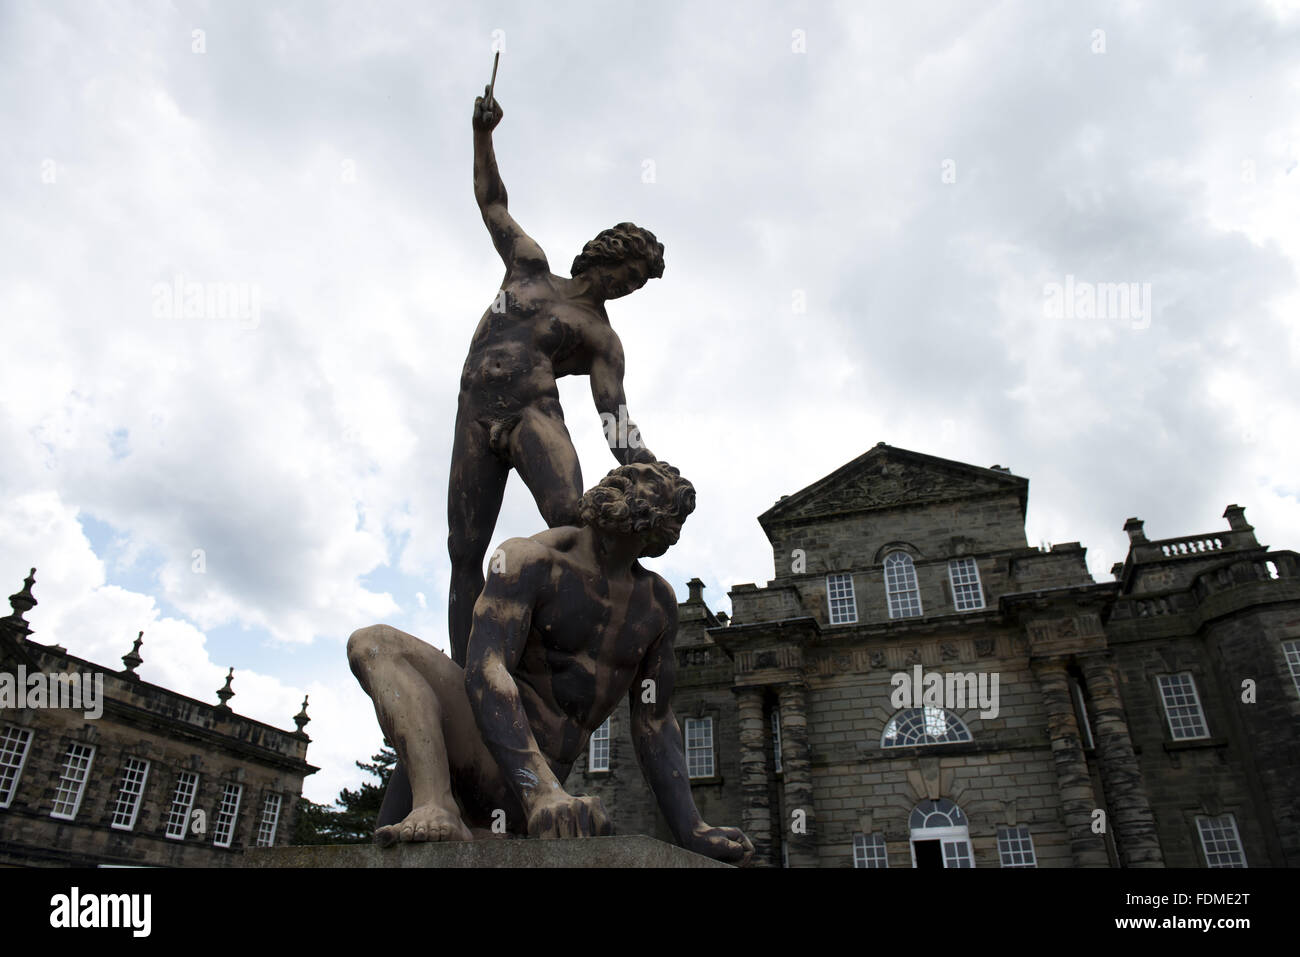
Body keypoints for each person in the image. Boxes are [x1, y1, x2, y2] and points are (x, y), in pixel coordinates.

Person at [349, 462, 753, 864]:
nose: (633, 480)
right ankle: (436, 804)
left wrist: (692, 829)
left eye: (652, 485)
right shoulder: (528, 559)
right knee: (374, 643)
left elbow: (655, 721)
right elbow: (486, 671)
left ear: (659, 527)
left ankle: (486, 824)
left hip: (538, 797)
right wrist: (539, 790)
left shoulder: (656, 605)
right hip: (479, 756)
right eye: (636, 475)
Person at [447, 86, 663, 667]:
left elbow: (613, 415)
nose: (628, 283)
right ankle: (469, 669)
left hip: (531, 413)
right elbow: (492, 202)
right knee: (463, 551)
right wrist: (483, 134)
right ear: (603, 253)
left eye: (638, 282)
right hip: (474, 412)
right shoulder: (529, 265)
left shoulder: (601, 338)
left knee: (572, 521)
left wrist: (647, 468)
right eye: (628, 269)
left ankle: (563, 644)